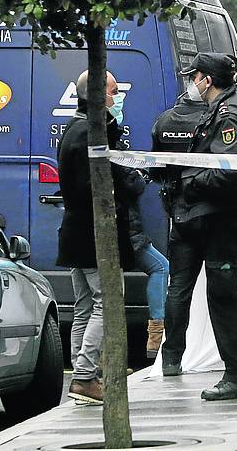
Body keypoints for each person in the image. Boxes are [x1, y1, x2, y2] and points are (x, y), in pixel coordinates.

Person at [159, 52, 237, 401]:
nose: (192, 83)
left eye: (194, 77)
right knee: (231, 294)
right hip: (236, 215)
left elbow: (231, 168)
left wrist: (191, 185)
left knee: (223, 296)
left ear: (207, 80)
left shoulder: (228, 113)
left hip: (226, 218)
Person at [58, 70, 140, 405]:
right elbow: (99, 185)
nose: (117, 96)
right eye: (113, 91)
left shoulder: (74, 129)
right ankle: (84, 376)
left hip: (75, 232)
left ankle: (82, 376)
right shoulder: (90, 133)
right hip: (94, 234)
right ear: (95, 94)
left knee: (84, 307)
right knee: (107, 303)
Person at [124, 169, 169, 360]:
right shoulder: (110, 153)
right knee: (160, 267)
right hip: (127, 234)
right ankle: (156, 335)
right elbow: (132, 185)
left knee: (87, 306)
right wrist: (139, 175)